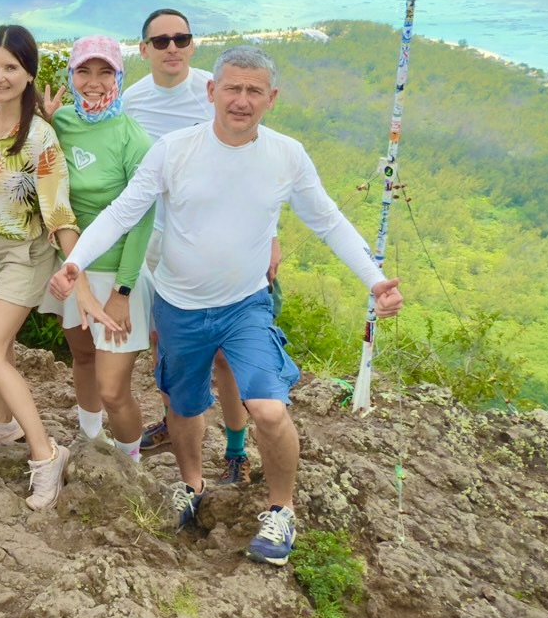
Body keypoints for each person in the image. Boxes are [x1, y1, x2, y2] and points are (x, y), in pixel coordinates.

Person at [53, 45, 403, 565]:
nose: (242, 100)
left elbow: (327, 219)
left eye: (254, 91)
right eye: (232, 88)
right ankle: (191, 486)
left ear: (271, 98)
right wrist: (76, 262)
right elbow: (124, 211)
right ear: (212, 92)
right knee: (183, 405)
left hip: (245, 305)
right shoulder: (173, 150)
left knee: (266, 407)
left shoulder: (287, 154)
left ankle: (281, 510)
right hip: (177, 304)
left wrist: (374, 282)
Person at [120, 7, 262, 484]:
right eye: (160, 41)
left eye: (180, 38)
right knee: (169, 346)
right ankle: (175, 422)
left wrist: (272, 235)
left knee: (224, 355)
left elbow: (256, 160)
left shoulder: (213, 91)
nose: (171, 48)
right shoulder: (132, 101)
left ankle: (237, 449)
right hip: (159, 239)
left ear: (192, 44)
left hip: (221, 237)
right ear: (143, 50)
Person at [0, 24, 83, 509]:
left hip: (25, 256)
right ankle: (2, 422)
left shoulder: (40, 140)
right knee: (1, 346)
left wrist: (79, 274)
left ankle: (46, 453)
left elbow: (59, 214)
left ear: (29, 75)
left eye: (11, 67)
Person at [37, 36, 156, 456]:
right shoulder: (61, 123)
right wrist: (45, 121)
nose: (94, 82)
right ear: (71, 75)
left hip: (117, 274)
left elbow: (142, 220)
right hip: (74, 269)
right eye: (84, 71)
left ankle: (130, 464)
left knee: (113, 388)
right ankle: (89, 440)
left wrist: (123, 292)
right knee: (82, 359)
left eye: (105, 71)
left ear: (119, 77)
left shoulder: (133, 140)